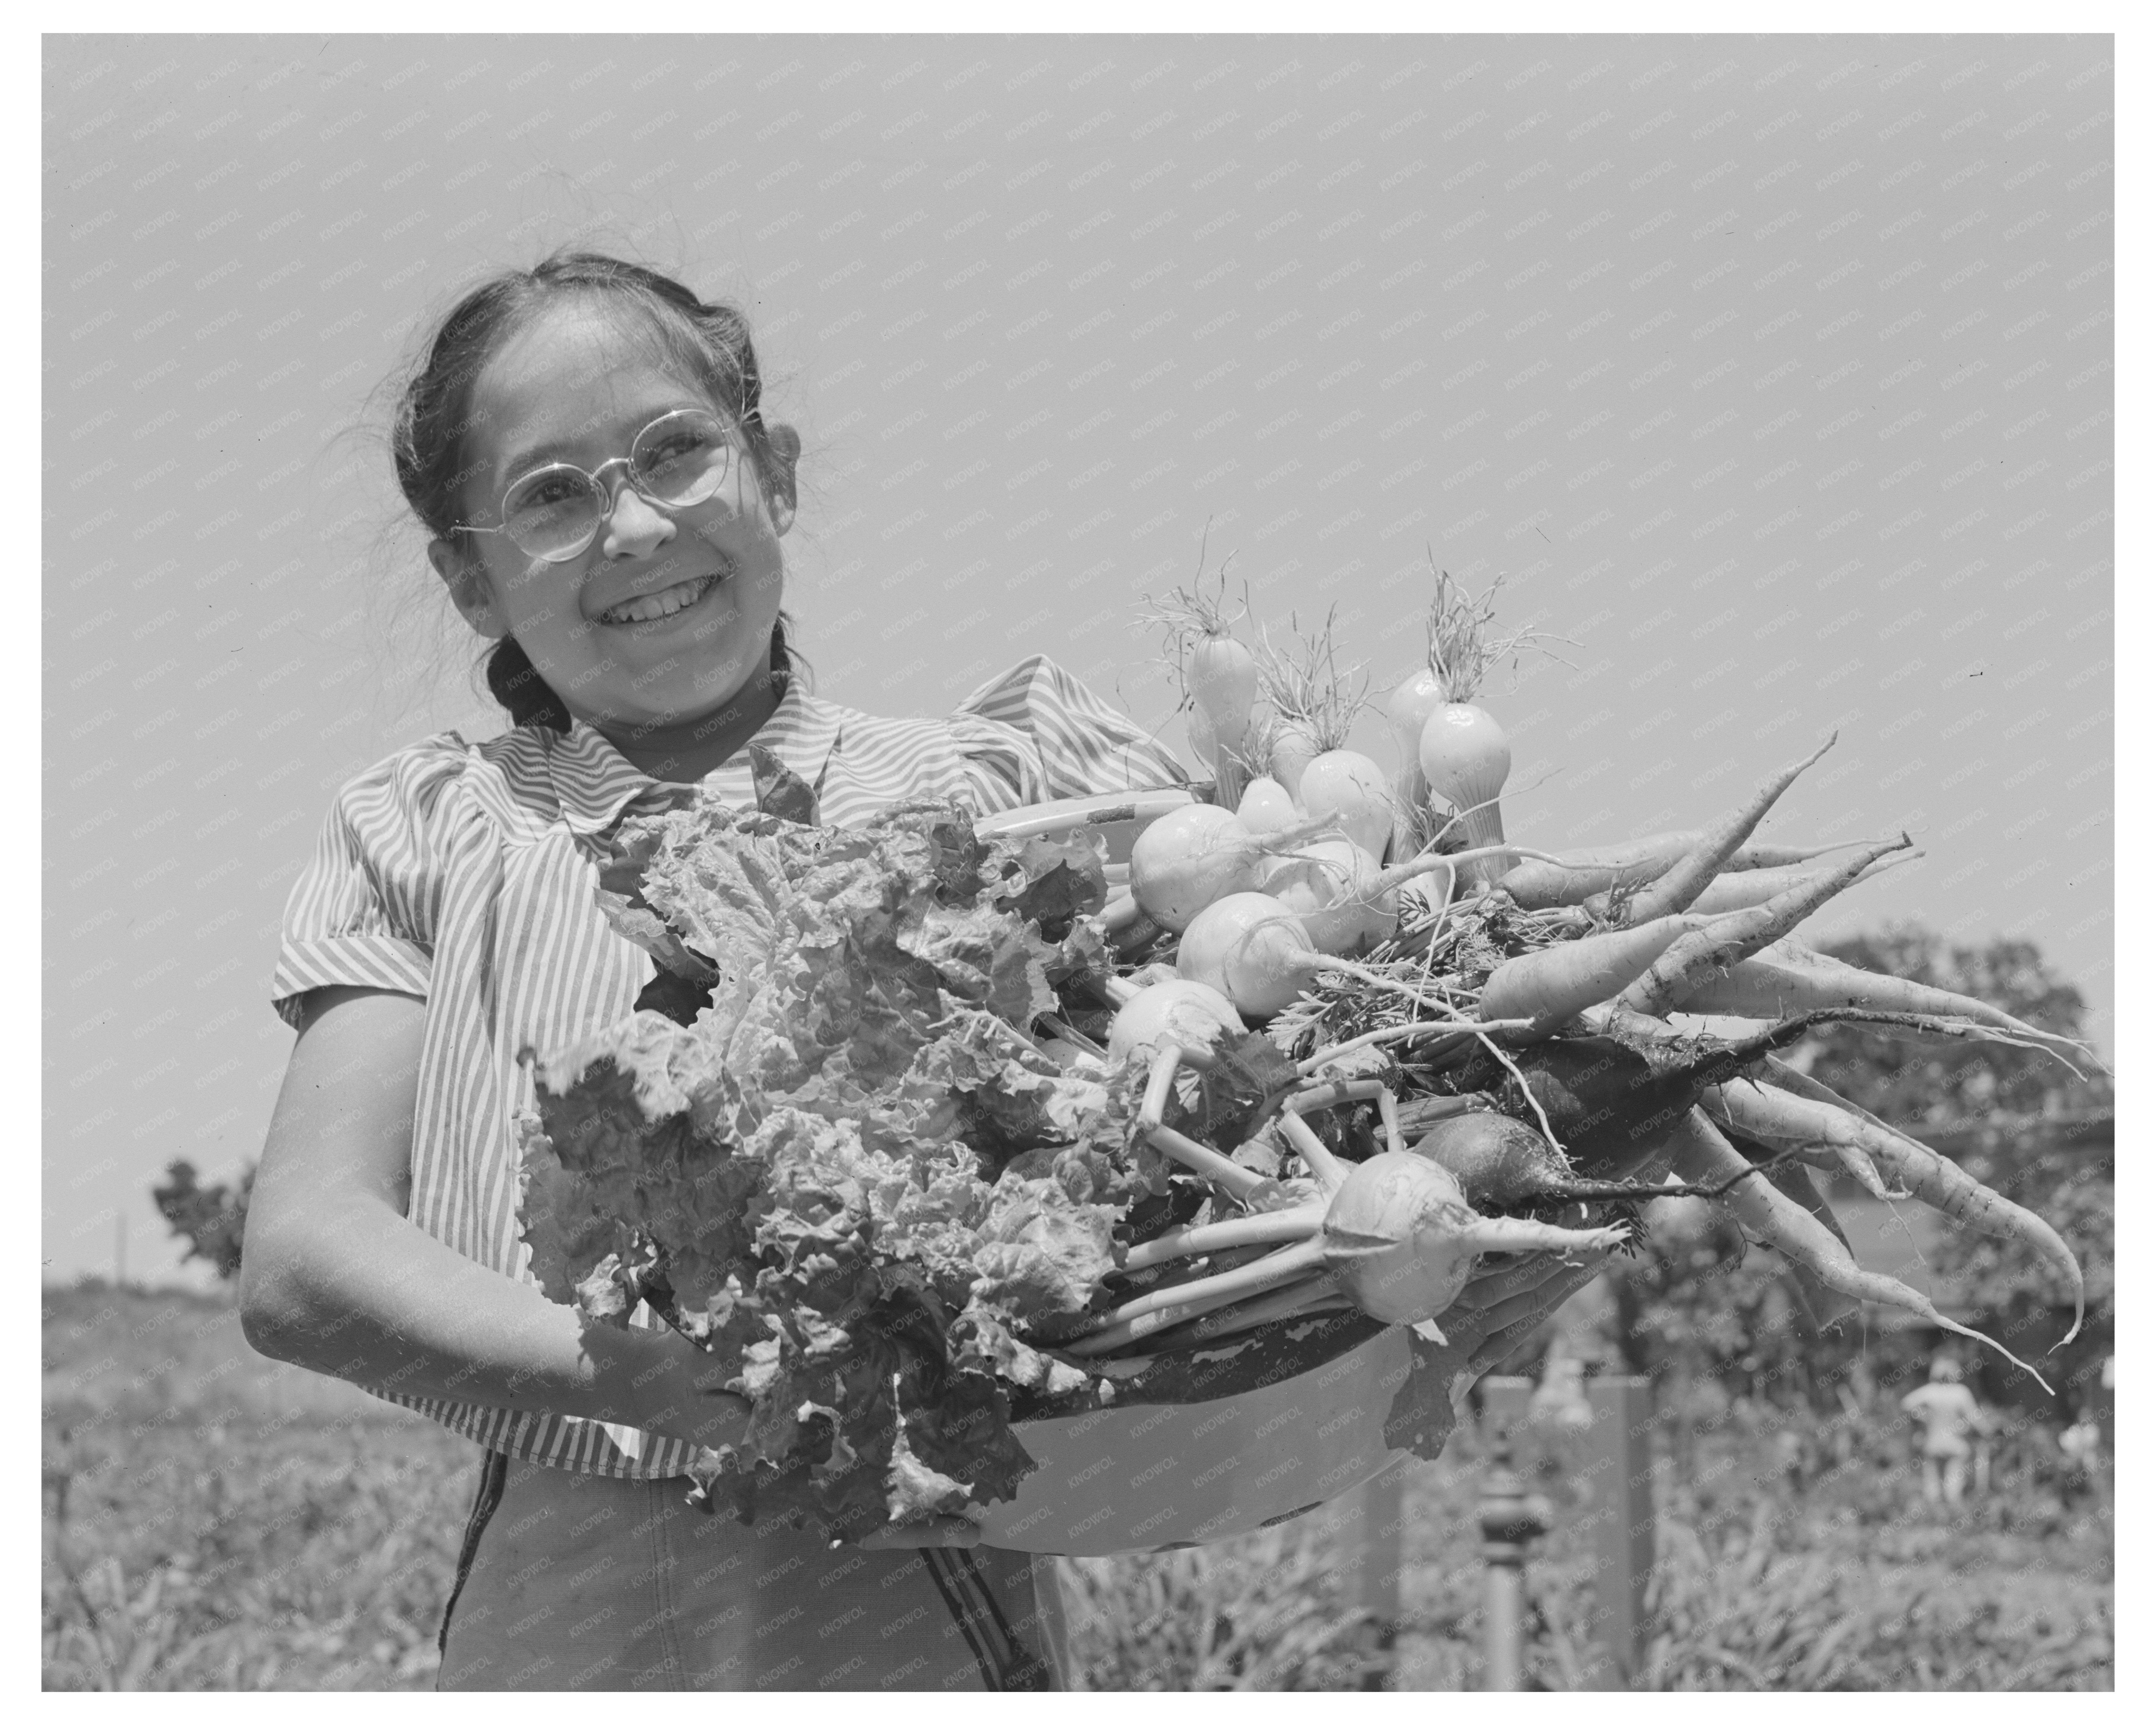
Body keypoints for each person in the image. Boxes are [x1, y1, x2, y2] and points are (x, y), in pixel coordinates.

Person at [237, 250, 1599, 1692]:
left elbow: (1321, 1066)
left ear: (776, 469)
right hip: (566, 1596)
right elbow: (304, 1262)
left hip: (925, 1596)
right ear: (471, 575)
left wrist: (1454, 1254)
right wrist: (695, 1389)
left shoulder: (1002, 784)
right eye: (552, 494)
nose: (632, 523)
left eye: (674, 452)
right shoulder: (433, 824)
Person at [1898, 1355, 1987, 1509]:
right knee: (1954, 1481)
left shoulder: (1930, 1391)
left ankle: (1933, 1515)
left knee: (1932, 1482)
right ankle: (1953, 1513)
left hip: (1934, 1444)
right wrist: (1986, 1430)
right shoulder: (1961, 1393)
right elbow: (1976, 1420)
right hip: (1955, 1444)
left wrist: (1924, 1417)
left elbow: (1906, 1404)